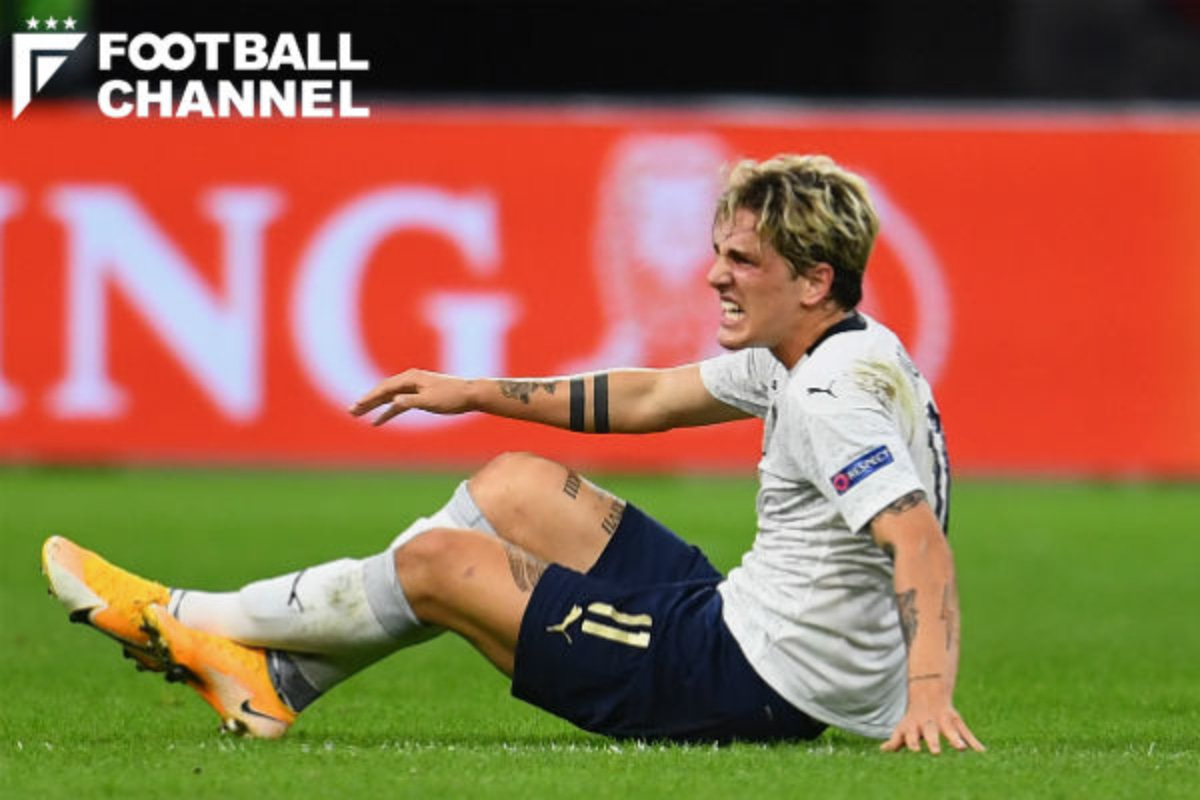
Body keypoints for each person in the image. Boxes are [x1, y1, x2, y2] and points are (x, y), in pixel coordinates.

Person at [42, 154, 983, 754]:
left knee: (436, 563)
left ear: (815, 279)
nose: (713, 275)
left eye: (744, 261)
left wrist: (928, 699)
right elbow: (650, 397)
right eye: (719, 252)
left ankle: (184, 617)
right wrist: (474, 391)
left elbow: (918, 542)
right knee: (515, 486)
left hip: (747, 682)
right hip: (748, 625)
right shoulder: (835, 350)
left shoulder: (825, 395)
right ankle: (277, 681)